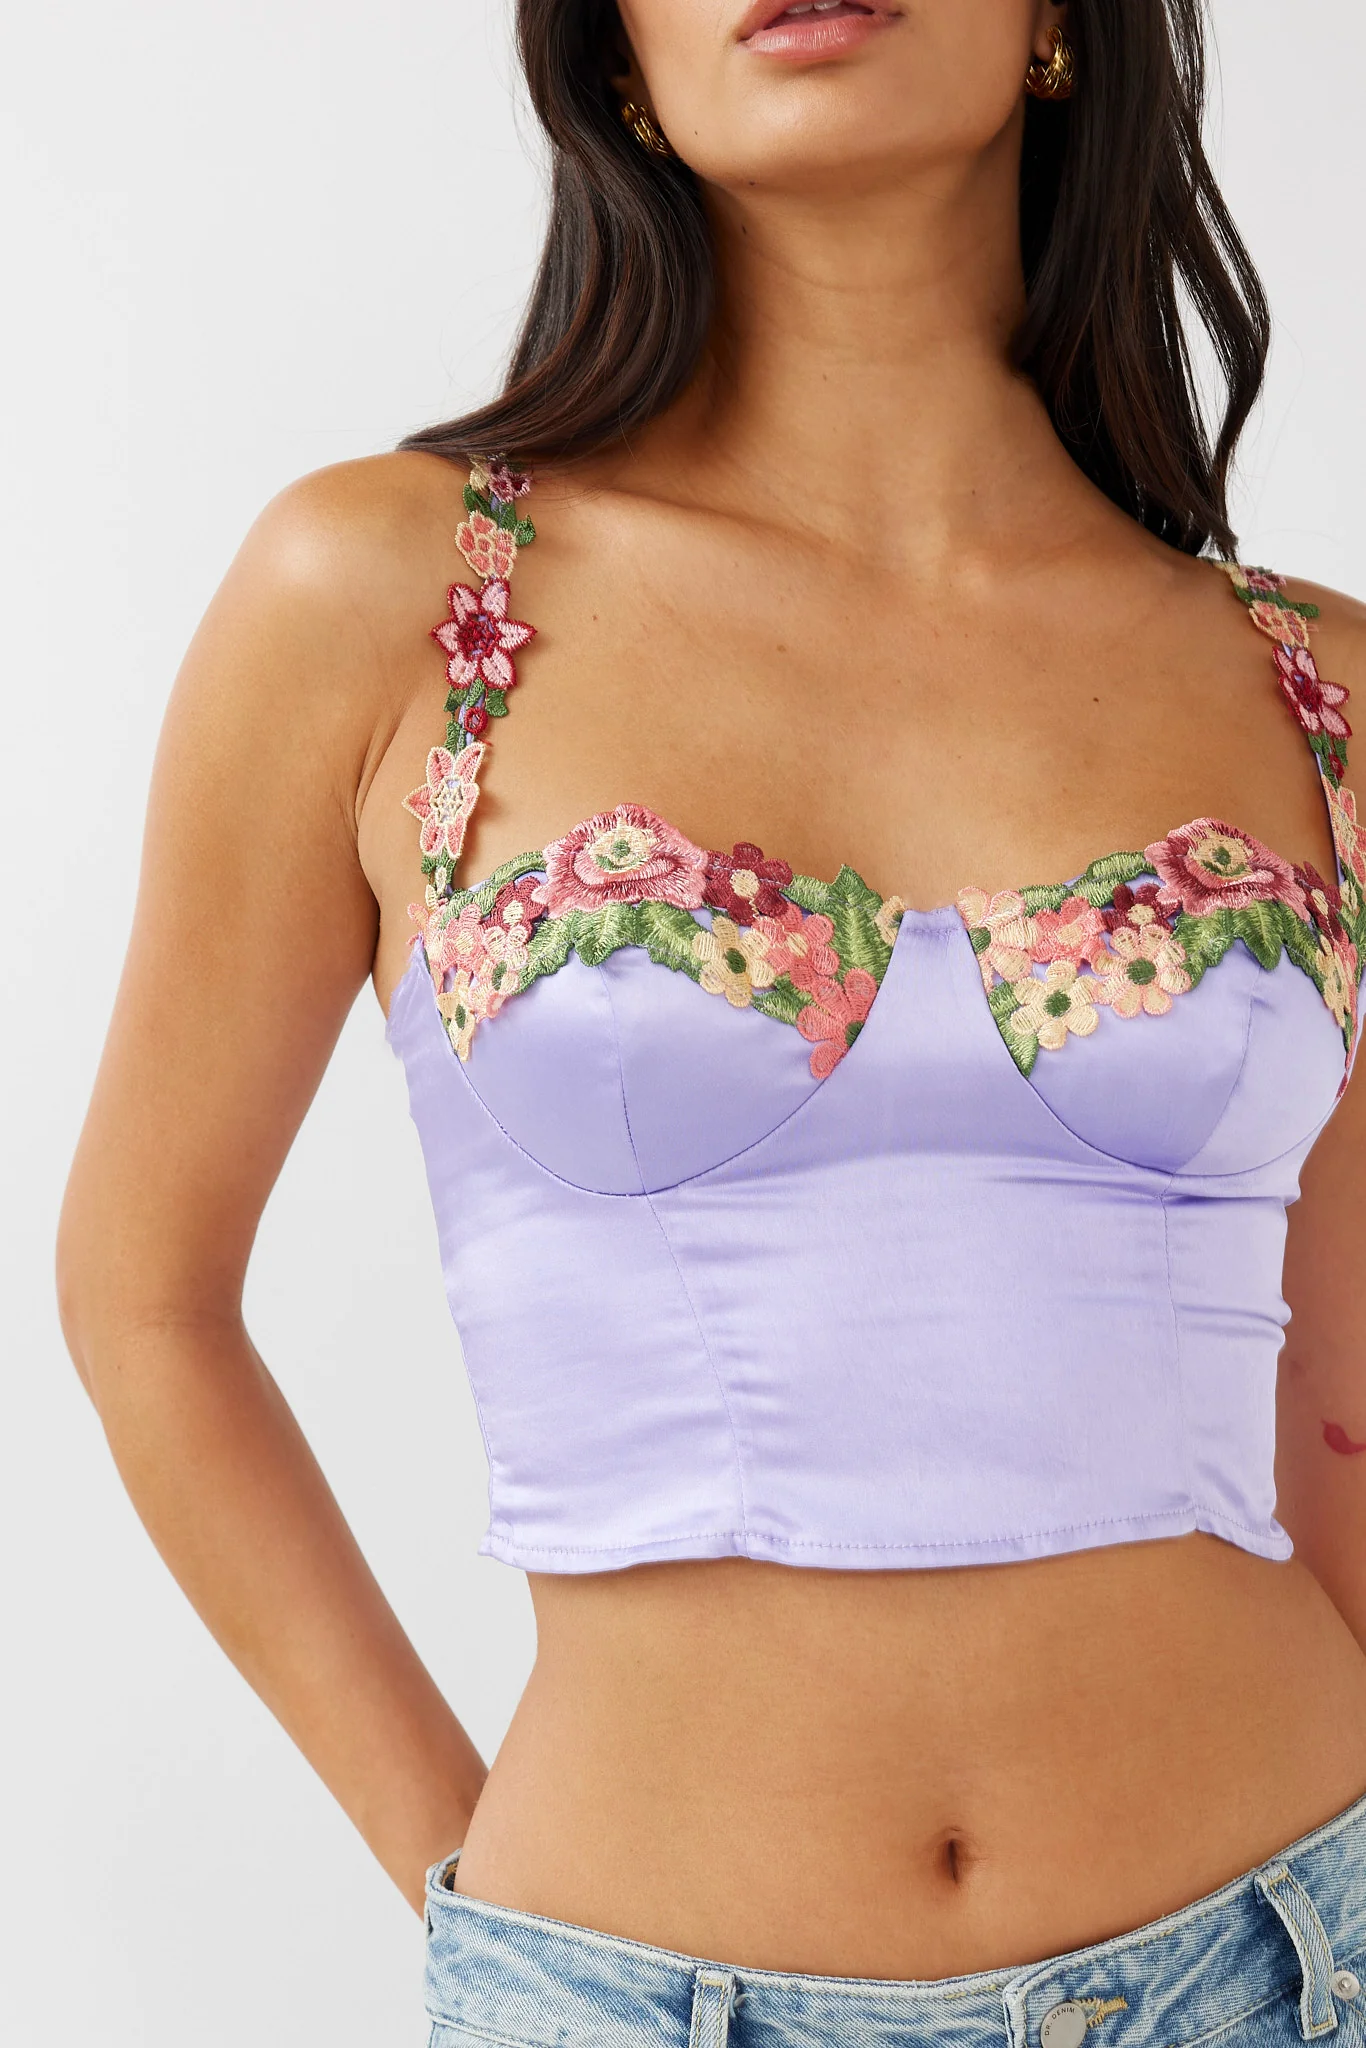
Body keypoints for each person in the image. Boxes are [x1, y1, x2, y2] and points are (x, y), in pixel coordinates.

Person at [58, 2, 1366, 2043]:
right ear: (611, 50)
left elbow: (1338, 1400)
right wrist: (478, 1905)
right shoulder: (388, 598)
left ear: (1055, 21)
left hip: (1288, 1953)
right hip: (625, 1990)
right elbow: (143, 1301)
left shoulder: (1312, 683)